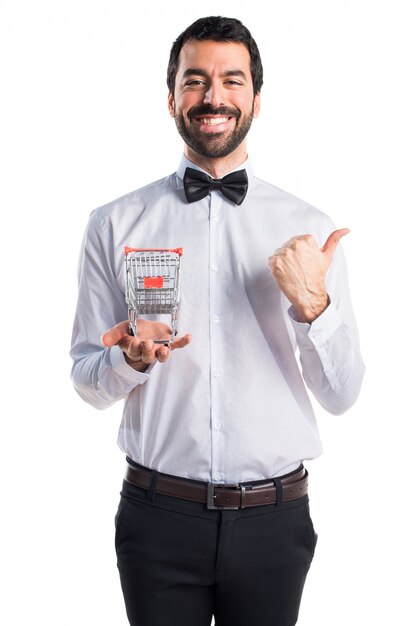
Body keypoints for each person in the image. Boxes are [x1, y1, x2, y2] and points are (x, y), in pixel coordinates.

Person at [70, 15, 365, 626]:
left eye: (232, 80)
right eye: (195, 80)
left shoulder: (306, 228)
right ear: (172, 97)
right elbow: (85, 379)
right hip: (157, 518)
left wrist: (316, 309)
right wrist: (126, 361)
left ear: (256, 97)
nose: (213, 96)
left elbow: (343, 395)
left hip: (274, 521)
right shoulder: (114, 224)